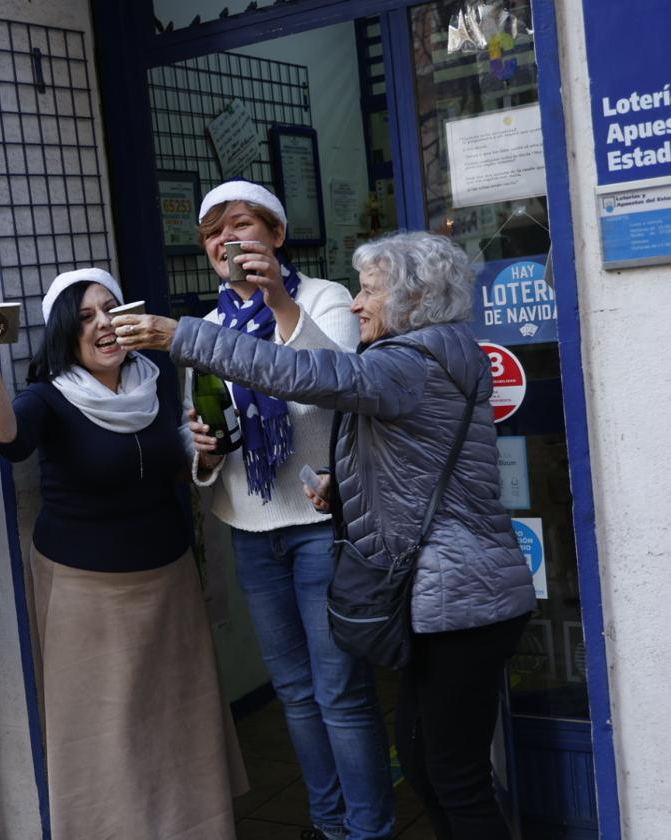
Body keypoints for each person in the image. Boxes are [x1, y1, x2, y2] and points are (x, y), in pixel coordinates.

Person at [116, 231, 537, 840]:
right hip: (451, 597)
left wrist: (179, 335)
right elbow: (415, 464)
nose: (358, 304)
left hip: (463, 600)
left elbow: (302, 373)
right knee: (426, 761)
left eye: (369, 291)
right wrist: (344, 486)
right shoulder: (433, 354)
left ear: (413, 299)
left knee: (453, 774)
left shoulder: (409, 362)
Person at [0, 268, 246, 840]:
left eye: (112, 311)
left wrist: (207, 457)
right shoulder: (51, 395)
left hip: (169, 579)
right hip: (86, 592)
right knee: (105, 730)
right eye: (88, 316)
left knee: (178, 719)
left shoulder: (155, 380)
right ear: (66, 332)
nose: (104, 325)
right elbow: (8, 438)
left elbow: (179, 465)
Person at [182, 180, 393, 840]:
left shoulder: (324, 298)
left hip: (320, 527)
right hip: (251, 529)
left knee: (340, 692)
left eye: (241, 224)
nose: (227, 239)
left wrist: (276, 298)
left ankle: (369, 830)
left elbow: (333, 383)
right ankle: (330, 825)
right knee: (296, 694)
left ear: (275, 235)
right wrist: (205, 453)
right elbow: (207, 433)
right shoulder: (209, 329)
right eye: (214, 231)